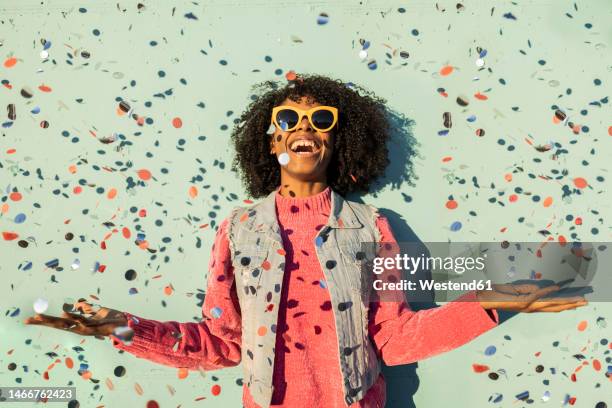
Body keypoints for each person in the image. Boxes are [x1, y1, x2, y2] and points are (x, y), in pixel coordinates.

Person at [24, 74, 588, 408]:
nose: (302, 128)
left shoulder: (372, 226)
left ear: (338, 142)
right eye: (286, 119)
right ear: (269, 143)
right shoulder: (239, 228)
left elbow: (394, 339)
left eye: (319, 119)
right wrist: (122, 328)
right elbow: (222, 343)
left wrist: (503, 297)